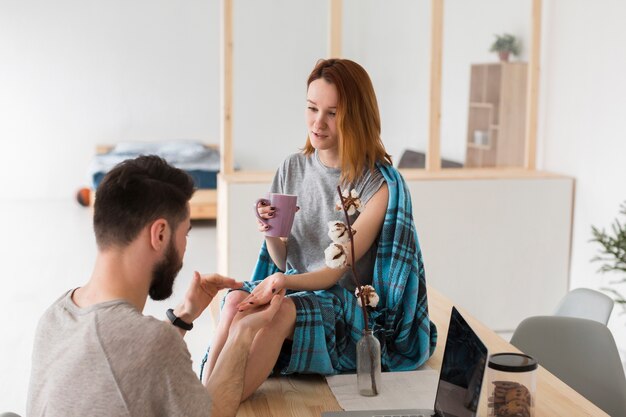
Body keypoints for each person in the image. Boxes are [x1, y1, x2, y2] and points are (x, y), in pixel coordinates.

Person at [202, 58, 437, 400]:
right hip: (297, 288)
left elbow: (331, 274)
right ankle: (202, 401)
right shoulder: (292, 167)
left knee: (278, 312)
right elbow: (281, 259)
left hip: (346, 305)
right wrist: (270, 232)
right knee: (234, 301)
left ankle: (221, 403)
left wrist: (283, 282)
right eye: (312, 108)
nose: (318, 122)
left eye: (332, 113)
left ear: (356, 116)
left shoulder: (378, 186)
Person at [26, 155, 284, 417]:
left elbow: (127, 368)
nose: (184, 248)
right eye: (185, 234)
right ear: (160, 234)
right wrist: (242, 332)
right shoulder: (152, 343)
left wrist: (184, 315)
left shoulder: (54, 316)